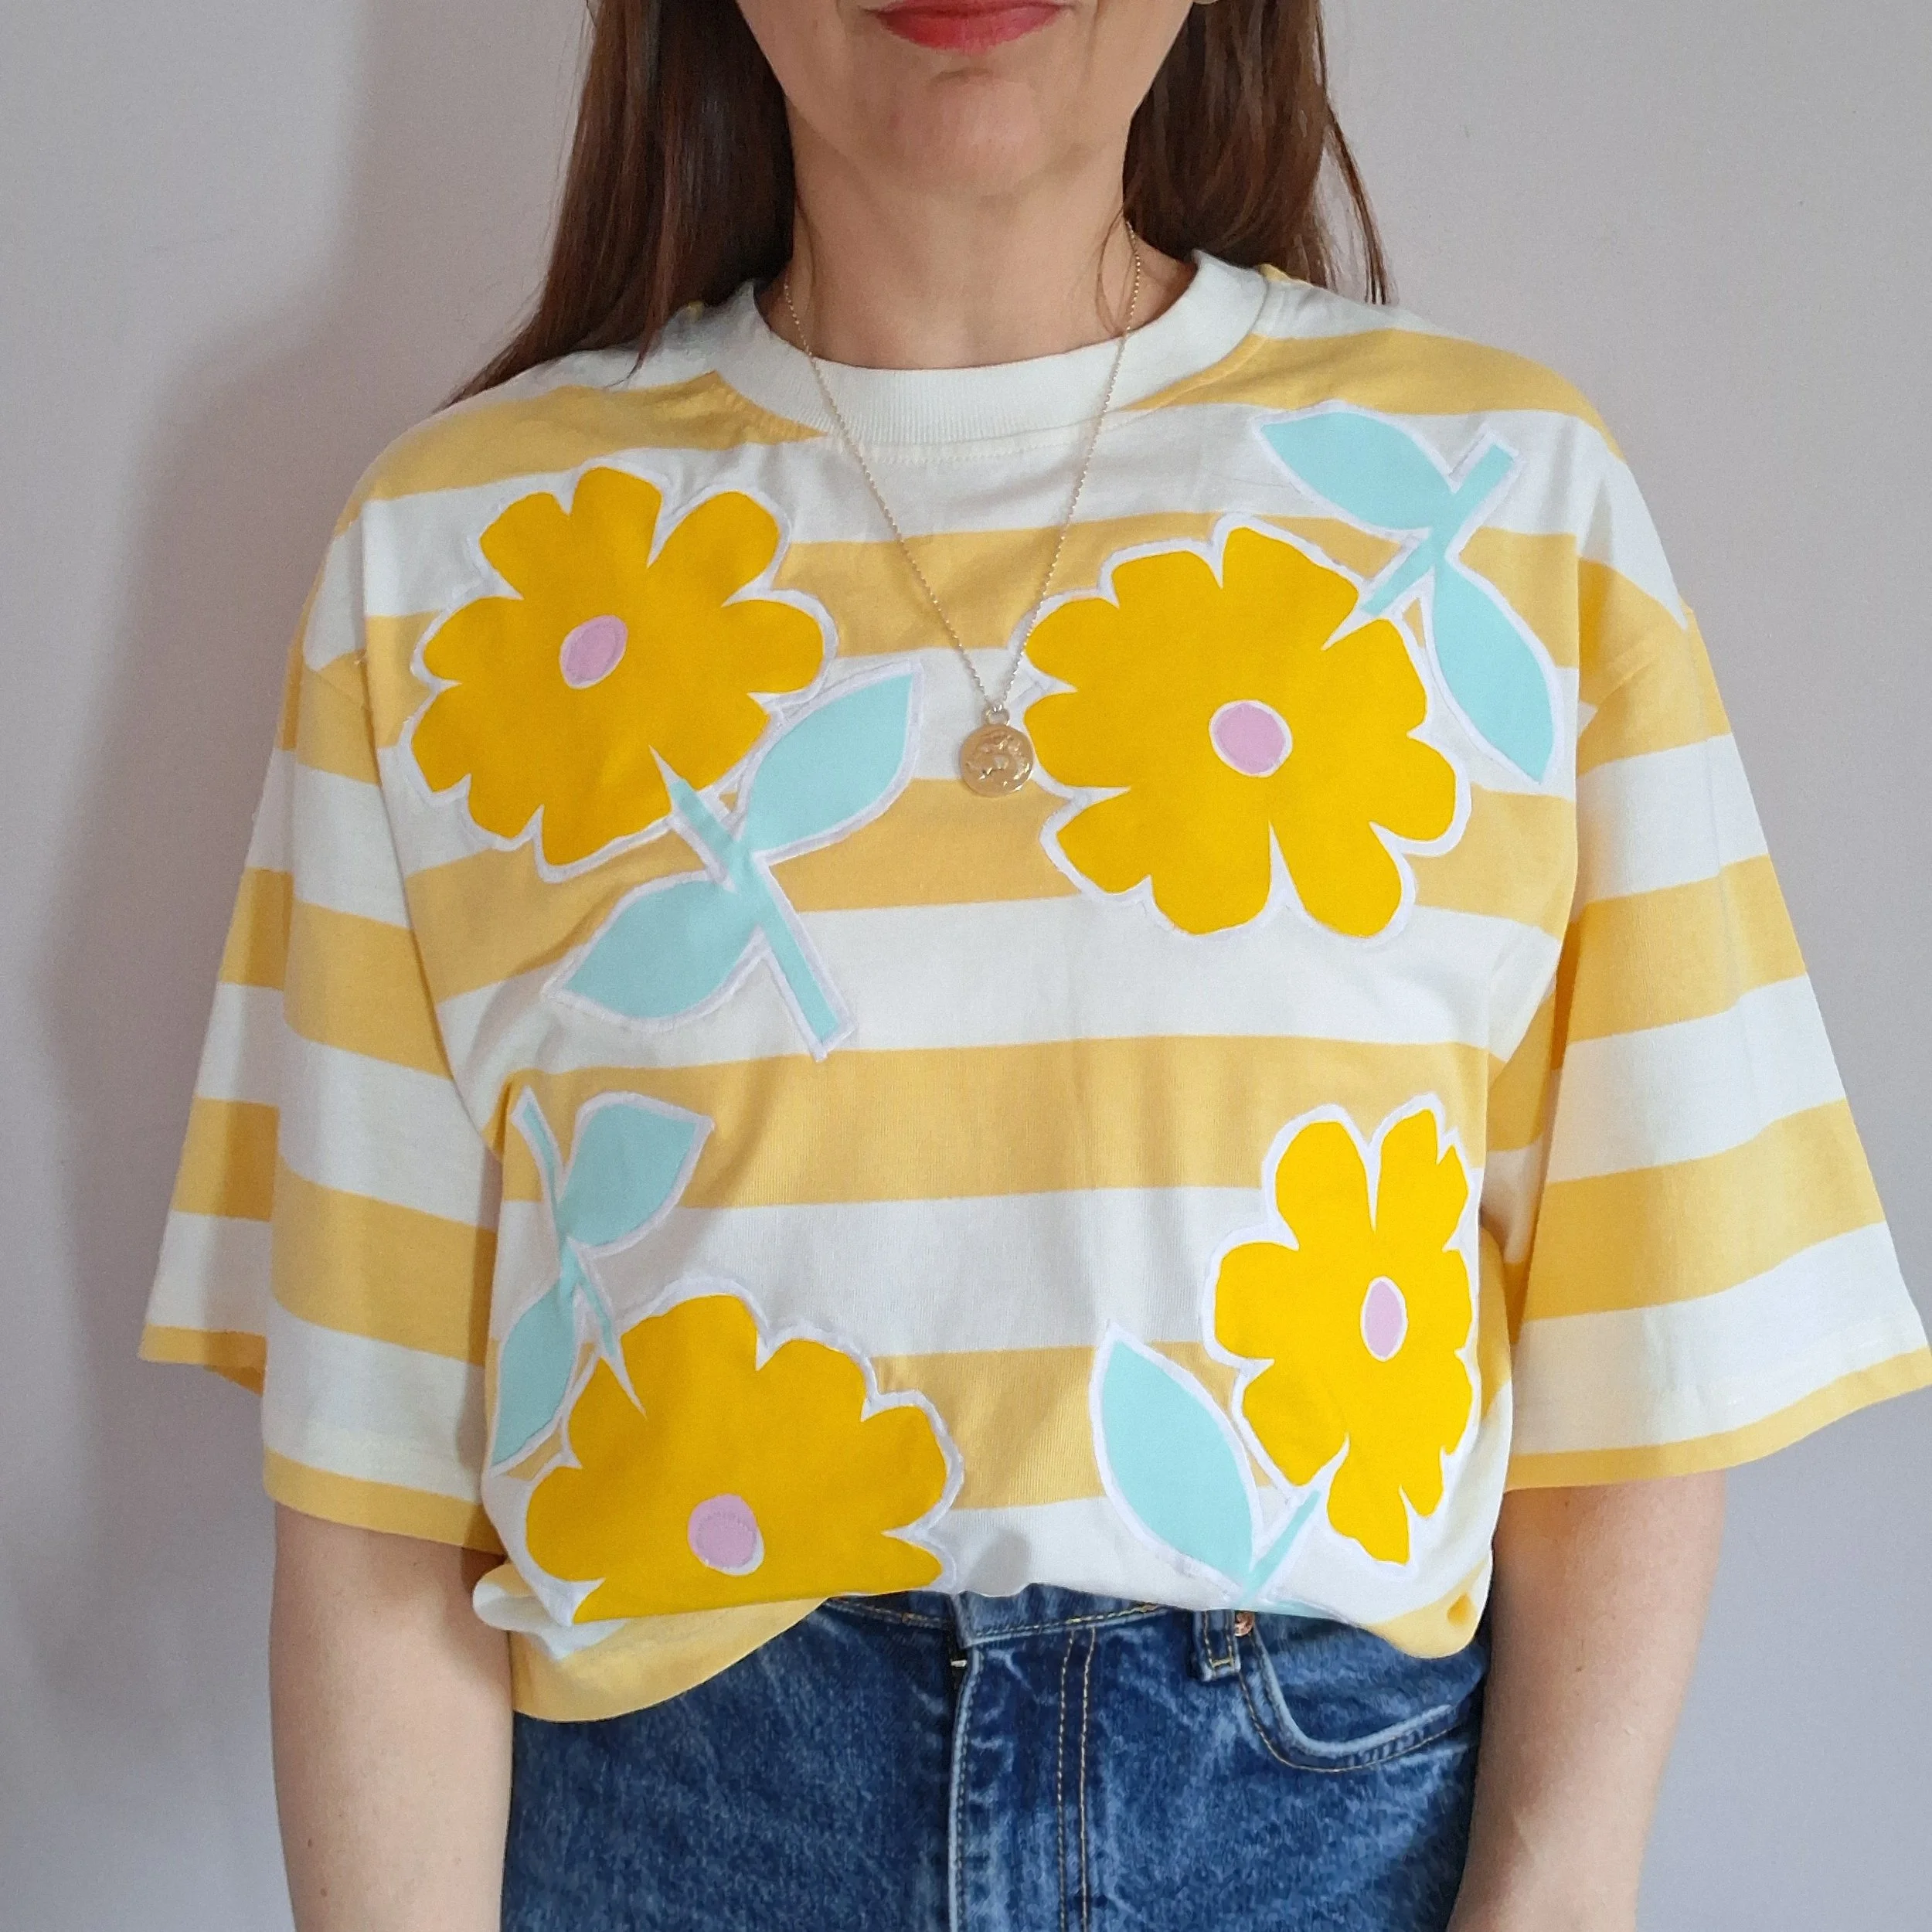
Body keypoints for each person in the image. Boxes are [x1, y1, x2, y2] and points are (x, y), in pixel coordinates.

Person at [141, 0, 1930, 1926]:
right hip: (672, 1828)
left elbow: (1634, 1353)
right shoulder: (452, 563)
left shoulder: (1500, 510)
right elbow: (374, 1478)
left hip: (1324, 1838)